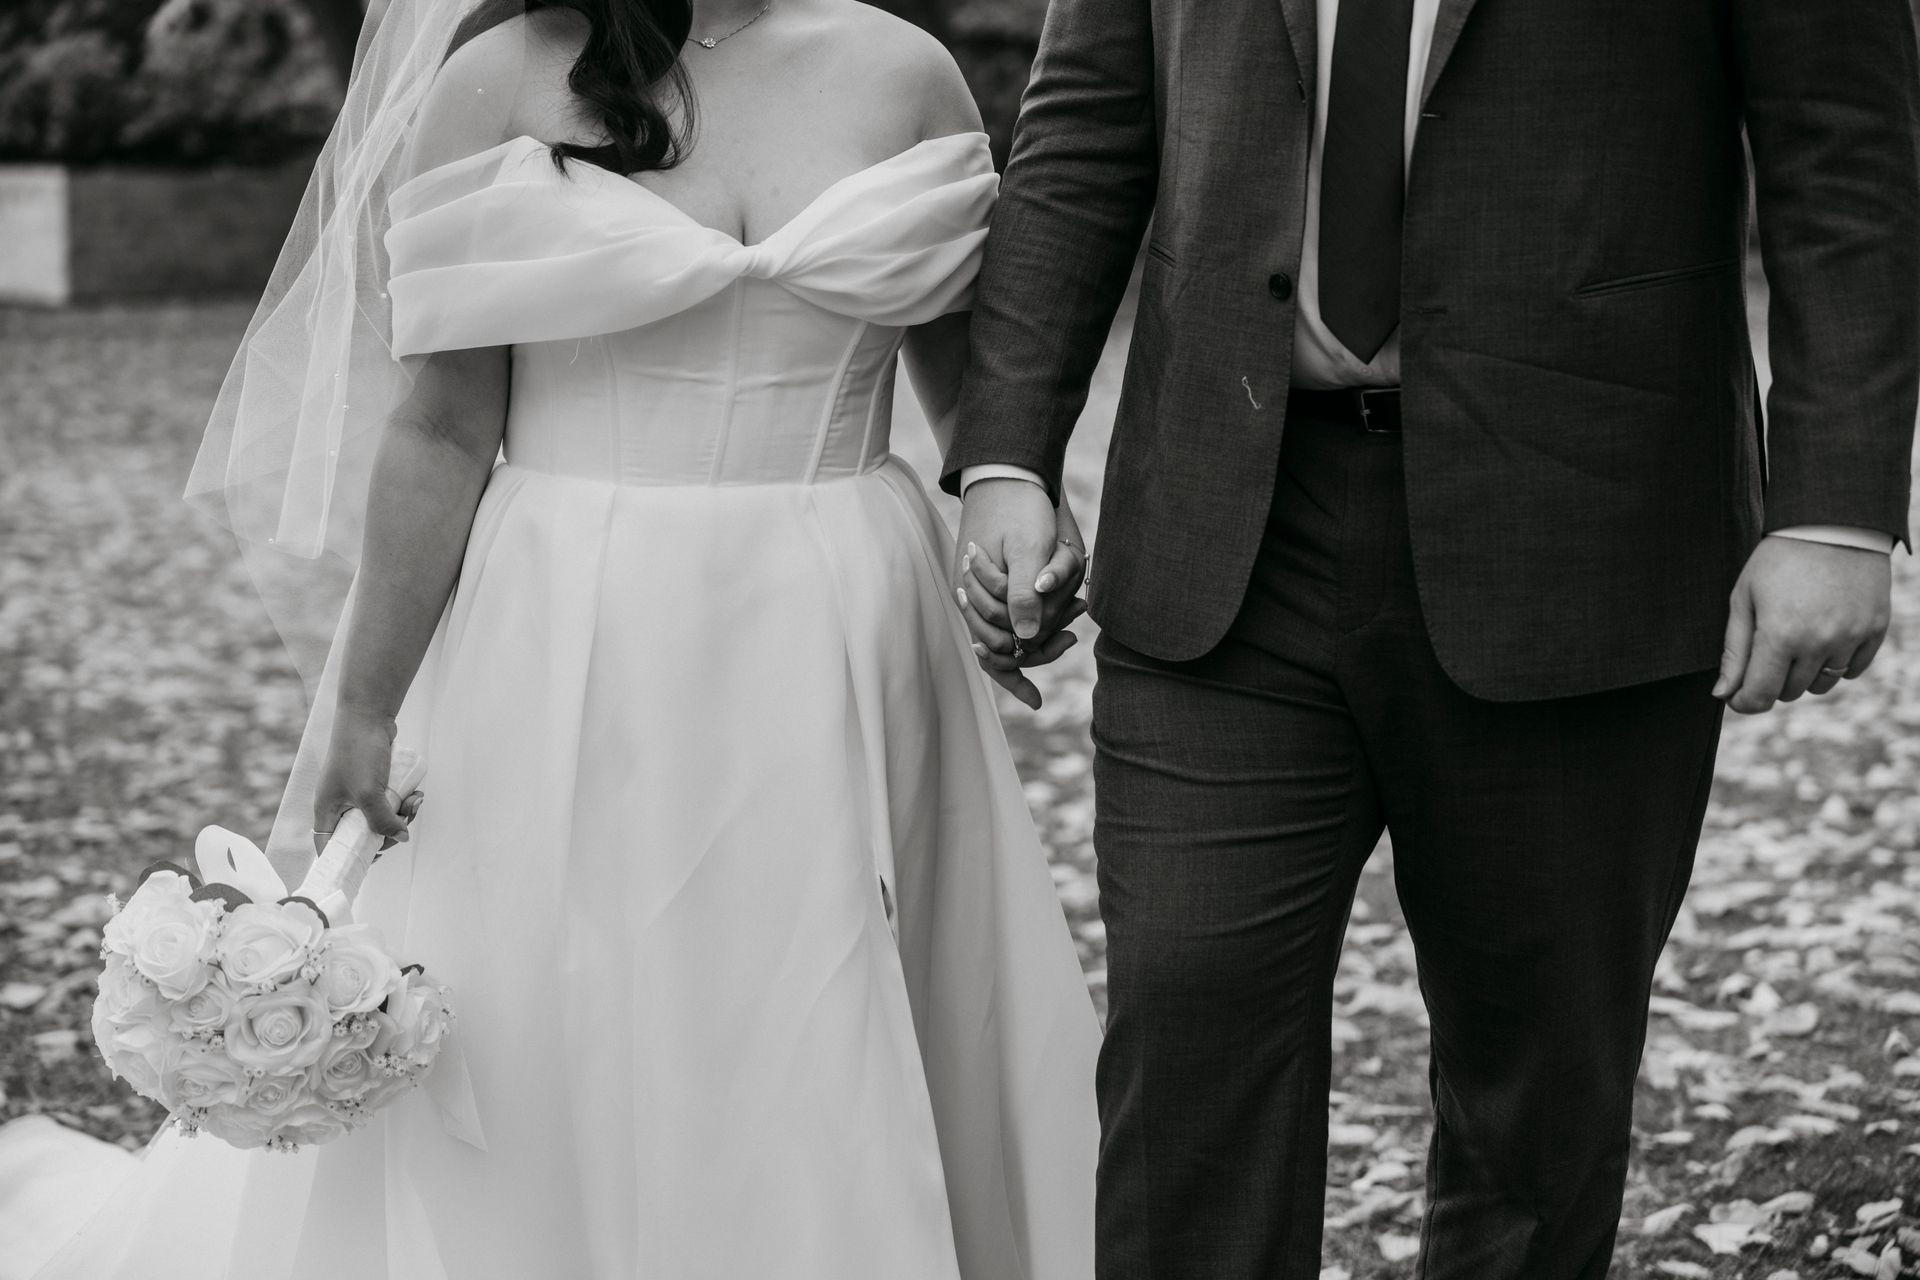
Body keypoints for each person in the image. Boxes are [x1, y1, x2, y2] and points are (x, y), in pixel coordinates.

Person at [0, 1, 1101, 1276]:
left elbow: (970, 385)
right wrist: (365, 705)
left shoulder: (906, 71)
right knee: (563, 1012)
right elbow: (444, 428)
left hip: (851, 620)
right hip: (574, 620)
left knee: (828, 997)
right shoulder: (501, 80)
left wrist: (1006, 525)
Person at [946, 1, 1920, 1277]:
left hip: (1585, 529)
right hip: (1224, 522)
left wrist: (1836, 510)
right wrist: (1008, 452)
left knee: (1538, 1098)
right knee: (1187, 1041)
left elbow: (1842, 154)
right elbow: (1082, 129)